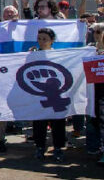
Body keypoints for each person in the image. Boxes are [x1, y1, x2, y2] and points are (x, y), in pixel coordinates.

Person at [30, 28, 66, 162]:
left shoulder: (58, 55)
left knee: (58, 122)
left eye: (44, 39)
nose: (41, 41)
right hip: (39, 96)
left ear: (52, 40)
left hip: (56, 96)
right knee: (39, 122)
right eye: (39, 39)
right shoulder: (33, 54)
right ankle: (39, 147)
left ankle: (58, 148)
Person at [85, 23, 104, 159]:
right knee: (92, 120)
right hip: (91, 92)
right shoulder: (88, 49)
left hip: (102, 92)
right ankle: (92, 146)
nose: (96, 34)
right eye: (94, 31)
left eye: (99, 31)